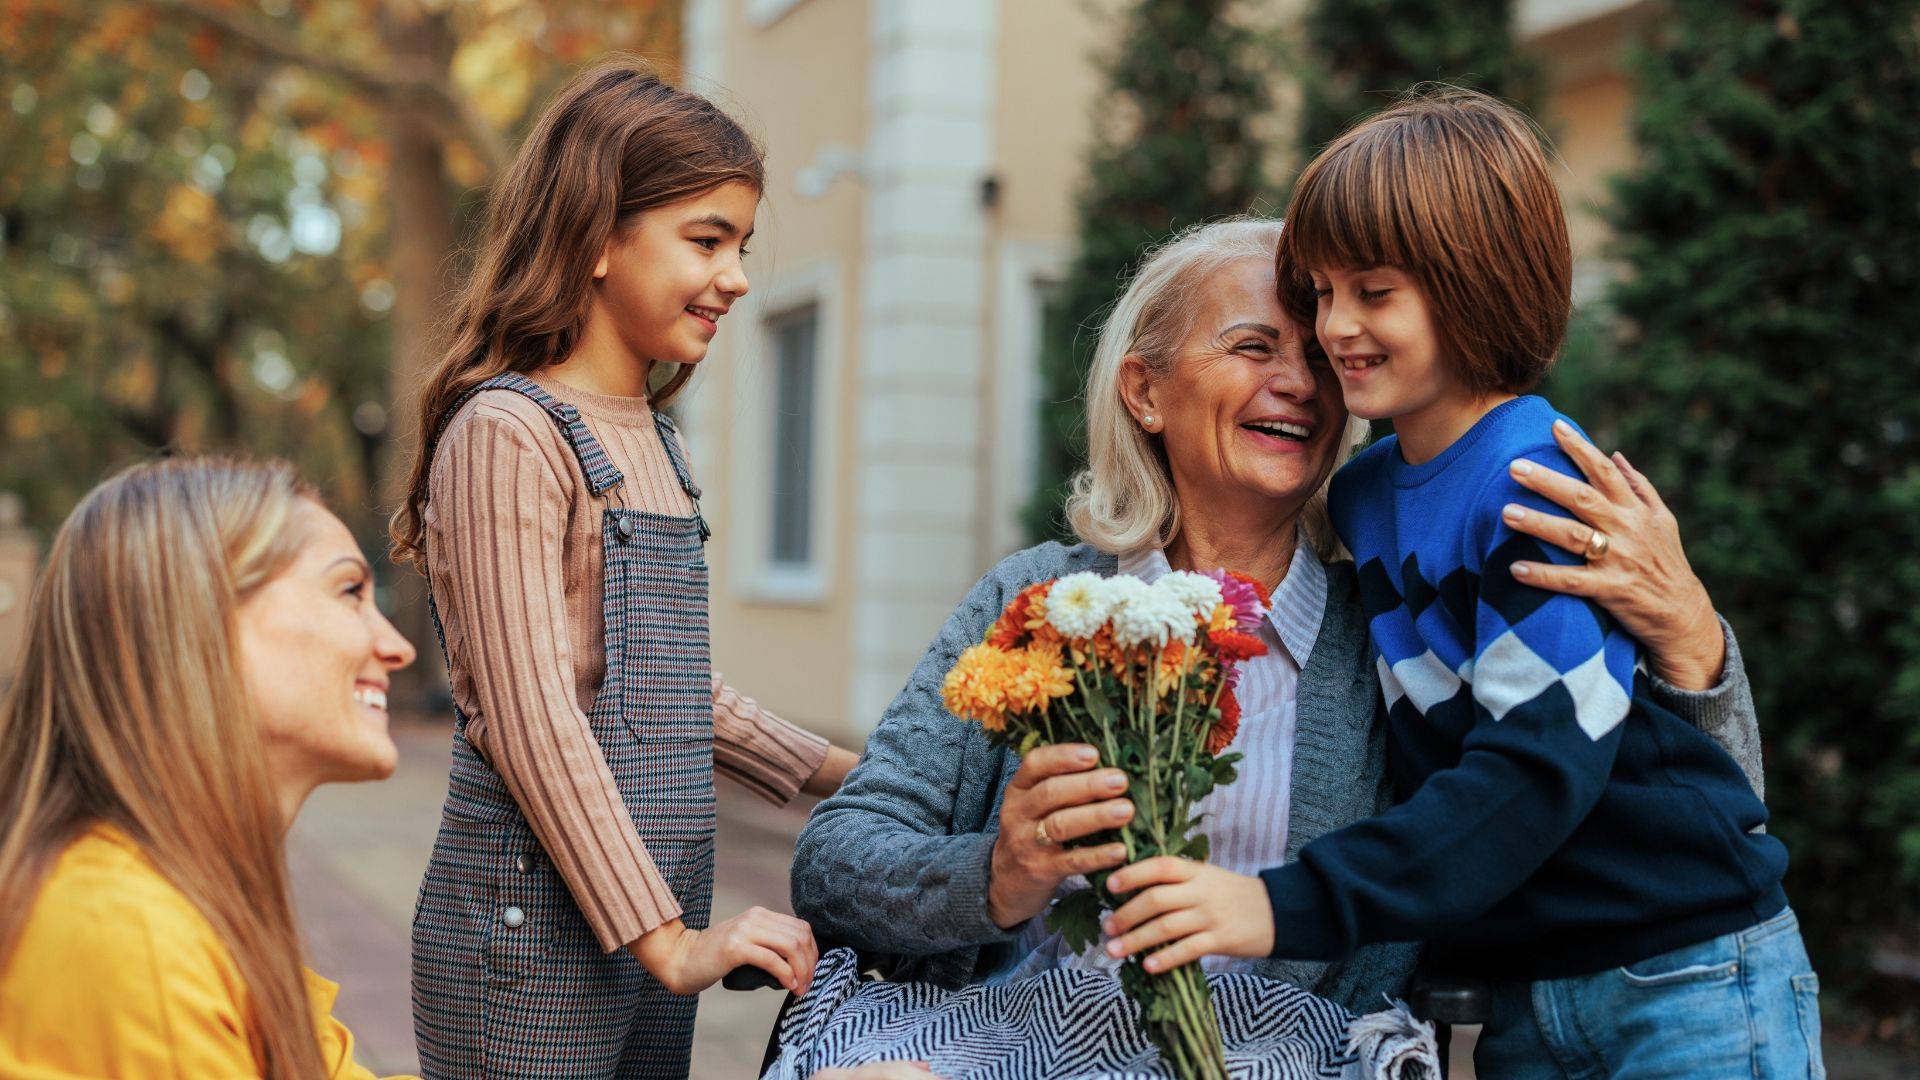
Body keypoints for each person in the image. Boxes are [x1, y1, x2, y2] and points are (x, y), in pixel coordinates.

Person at [787, 218, 1763, 1043]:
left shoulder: (1387, 620)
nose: (1299, 382)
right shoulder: (1036, 599)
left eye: (1320, 360)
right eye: (1254, 348)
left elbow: (1556, 806)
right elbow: (836, 862)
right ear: (1146, 390)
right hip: (1008, 1031)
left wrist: (1691, 648)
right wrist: (999, 877)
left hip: (1283, 1047)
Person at [1102, 90, 1821, 1078]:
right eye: (1319, 292)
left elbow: (1529, 775)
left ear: (1475, 286)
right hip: (1526, 991)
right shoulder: (1359, 498)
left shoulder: (1534, 488)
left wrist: (1276, 905)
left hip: (1679, 963)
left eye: (1374, 291)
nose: (1334, 327)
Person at [387, 58, 860, 1078]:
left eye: (741, 245)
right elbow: (531, 714)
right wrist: (669, 942)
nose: (735, 277)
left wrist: (853, 777)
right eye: (706, 240)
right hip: (532, 930)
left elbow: (665, 694)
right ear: (599, 235)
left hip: (653, 906)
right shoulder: (507, 432)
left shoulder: (658, 439)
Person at [0, 458, 414, 1078]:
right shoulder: (130, 936)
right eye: (350, 591)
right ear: (201, 617)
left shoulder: (182, 905)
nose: (397, 647)